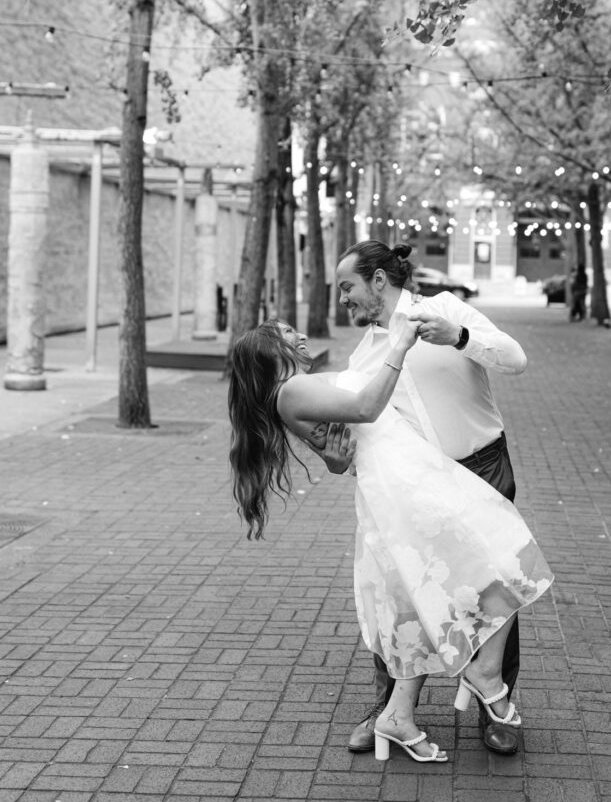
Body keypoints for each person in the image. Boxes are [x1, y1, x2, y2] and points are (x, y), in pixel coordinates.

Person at [227, 316, 553, 764]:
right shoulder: (291, 392)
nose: (300, 335)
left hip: (408, 475)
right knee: (505, 557)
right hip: (407, 485)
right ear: (268, 352)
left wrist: (336, 461)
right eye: (287, 334)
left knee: (429, 592)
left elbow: (343, 454)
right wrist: (398, 346)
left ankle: (401, 712)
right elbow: (365, 408)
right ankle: (485, 677)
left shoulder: (301, 389)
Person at [330, 240, 537, 757]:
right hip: (419, 486)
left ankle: (496, 699)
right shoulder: (365, 353)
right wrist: (337, 458)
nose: (343, 301)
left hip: (482, 465)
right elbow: (357, 432)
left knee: (494, 580)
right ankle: (391, 710)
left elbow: (515, 359)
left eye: (347, 288)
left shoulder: (445, 309)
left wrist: (460, 336)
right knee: (406, 589)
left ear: (379, 280)